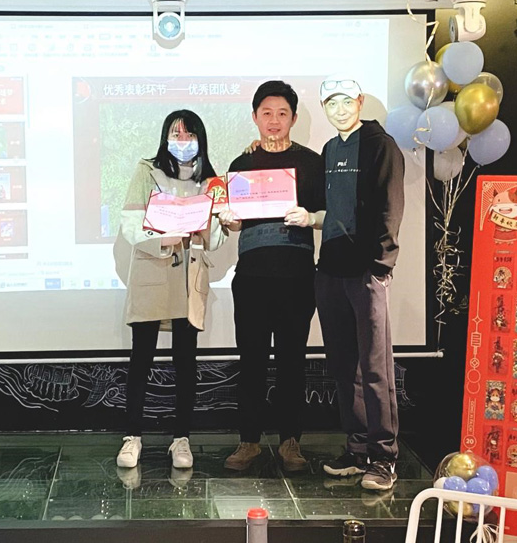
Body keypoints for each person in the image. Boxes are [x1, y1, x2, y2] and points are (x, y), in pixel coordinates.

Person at [219, 81, 325, 472]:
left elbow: (329, 215)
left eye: (282, 113)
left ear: (293, 118)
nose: (274, 120)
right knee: (251, 361)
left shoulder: (312, 163)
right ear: (255, 117)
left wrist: (311, 218)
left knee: (292, 361)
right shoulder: (240, 164)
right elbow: (234, 223)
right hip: (251, 278)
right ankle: (248, 441)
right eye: (267, 113)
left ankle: (290, 443)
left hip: (297, 277)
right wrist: (228, 220)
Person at [113, 109, 225, 471]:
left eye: (189, 135)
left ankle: (181, 438)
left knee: (185, 362)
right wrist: (163, 237)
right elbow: (130, 222)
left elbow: (217, 239)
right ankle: (132, 436)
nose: (182, 141)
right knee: (141, 358)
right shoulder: (147, 171)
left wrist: (206, 229)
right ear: (165, 138)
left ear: (200, 139)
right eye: (176, 135)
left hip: (188, 279)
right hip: (152, 271)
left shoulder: (212, 181)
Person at [313, 77, 405, 491]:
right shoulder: (330, 149)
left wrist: (380, 265)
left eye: (346, 101)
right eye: (331, 103)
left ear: (360, 102)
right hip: (330, 271)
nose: (339, 109)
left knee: (374, 367)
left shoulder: (381, 145)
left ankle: (384, 457)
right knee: (343, 366)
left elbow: (390, 207)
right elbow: (328, 209)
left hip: (366, 272)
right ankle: (356, 449)